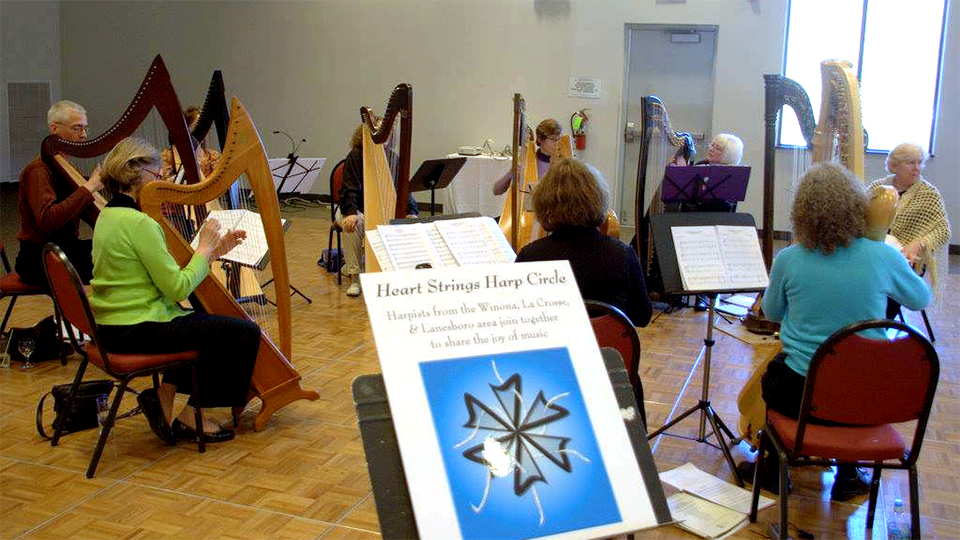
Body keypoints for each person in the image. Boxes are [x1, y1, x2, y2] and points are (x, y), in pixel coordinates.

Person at [742, 163, 931, 501]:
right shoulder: (883, 256)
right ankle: (847, 474)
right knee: (850, 377)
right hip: (868, 395)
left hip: (800, 394)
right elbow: (920, 298)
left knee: (774, 377)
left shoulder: (790, 258)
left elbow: (770, 313)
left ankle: (771, 470)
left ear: (802, 212)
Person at [89, 137, 260, 444]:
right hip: (139, 327)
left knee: (199, 322)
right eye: (158, 175)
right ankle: (191, 415)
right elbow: (176, 287)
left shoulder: (108, 215)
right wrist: (205, 246)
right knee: (243, 332)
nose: (162, 182)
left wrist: (213, 252)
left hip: (114, 326)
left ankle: (163, 397)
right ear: (137, 172)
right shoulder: (139, 223)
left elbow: (157, 278)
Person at [515, 158, 653, 328]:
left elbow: (518, 318)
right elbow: (642, 317)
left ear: (544, 204)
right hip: (608, 352)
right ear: (597, 199)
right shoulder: (622, 254)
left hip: (555, 353)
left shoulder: (530, 256)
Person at [16, 100, 104, 285]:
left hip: (63, 249)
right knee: (117, 261)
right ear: (54, 129)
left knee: (120, 252)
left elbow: (86, 209)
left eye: (85, 128)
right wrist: (89, 188)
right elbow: (48, 220)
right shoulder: (39, 170)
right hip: (40, 257)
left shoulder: (63, 165)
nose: (84, 135)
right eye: (76, 128)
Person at [867, 143, 951, 318]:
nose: (916, 168)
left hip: (906, 261)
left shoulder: (929, 194)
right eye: (910, 163)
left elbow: (943, 230)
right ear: (894, 165)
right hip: (875, 255)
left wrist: (920, 243)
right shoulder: (878, 187)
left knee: (884, 288)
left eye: (920, 162)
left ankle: (877, 324)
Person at [337, 124, 419, 297]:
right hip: (352, 207)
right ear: (367, 136)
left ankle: (393, 272)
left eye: (388, 134)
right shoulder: (356, 155)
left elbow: (404, 189)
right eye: (381, 134)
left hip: (380, 208)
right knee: (354, 224)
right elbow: (348, 189)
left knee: (404, 223)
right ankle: (354, 277)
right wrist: (351, 212)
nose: (386, 138)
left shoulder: (393, 158)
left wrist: (411, 211)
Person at [492, 118, 563, 196]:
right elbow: (496, 190)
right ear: (540, 139)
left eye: (559, 139)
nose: (557, 144)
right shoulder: (528, 161)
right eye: (553, 139)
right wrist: (511, 172)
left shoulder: (563, 164)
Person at [159, 105, 222, 180]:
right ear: (185, 129)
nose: (201, 131)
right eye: (196, 126)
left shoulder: (213, 156)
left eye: (204, 128)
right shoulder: (168, 155)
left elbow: (216, 185)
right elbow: (163, 184)